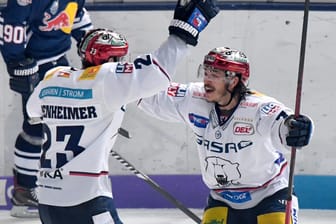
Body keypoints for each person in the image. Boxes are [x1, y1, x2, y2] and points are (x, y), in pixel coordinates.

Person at [25, 0, 220, 223]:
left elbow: (33, 112)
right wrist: (183, 33)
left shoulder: (54, 77)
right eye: (119, 57)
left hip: (48, 199)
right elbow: (157, 72)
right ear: (110, 59)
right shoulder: (107, 77)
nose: (122, 61)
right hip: (86, 199)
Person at [137, 46, 314, 224]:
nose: (206, 80)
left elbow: (283, 125)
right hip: (222, 199)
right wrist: (120, 83)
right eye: (205, 72)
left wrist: (297, 128)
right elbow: (147, 94)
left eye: (214, 74)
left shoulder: (259, 108)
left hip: (271, 196)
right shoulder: (193, 97)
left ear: (234, 81)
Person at [0, 0, 93, 217]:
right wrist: (17, 64)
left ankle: (54, 187)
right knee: (37, 129)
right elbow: (10, 25)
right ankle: (24, 191)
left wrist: (94, 44)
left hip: (60, 64)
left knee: (62, 129)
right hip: (35, 67)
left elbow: (77, 19)